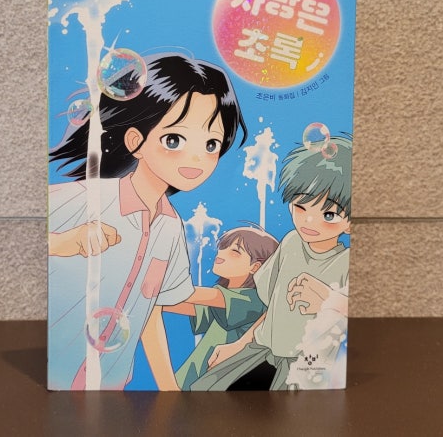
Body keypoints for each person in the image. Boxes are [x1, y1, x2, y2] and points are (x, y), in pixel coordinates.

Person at [48, 53, 246, 391]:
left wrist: (169, 390)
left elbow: (150, 311)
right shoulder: (85, 198)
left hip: (111, 384)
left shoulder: (170, 228)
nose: (196, 158)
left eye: (211, 144)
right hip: (59, 373)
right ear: (135, 141)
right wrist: (66, 241)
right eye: (174, 140)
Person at [190, 135, 351, 391]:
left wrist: (328, 301)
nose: (309, 221)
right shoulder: (290, 243)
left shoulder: (344, 262)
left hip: (308, 364)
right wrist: (238, 345)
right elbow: (272, 308)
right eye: (301, 207)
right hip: (261, 350)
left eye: (329, 214)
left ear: (350, 223)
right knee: (204, 389)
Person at [164, 226, 279, 389]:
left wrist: (155, 292)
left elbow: (199, 296)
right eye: (223, 248)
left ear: (255, 267)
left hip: (213, 382)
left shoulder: (254, 299)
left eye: (235, 252)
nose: (221, 254)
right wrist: (152, 303)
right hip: (191, 379)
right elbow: (190, 308)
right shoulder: (223, 300)